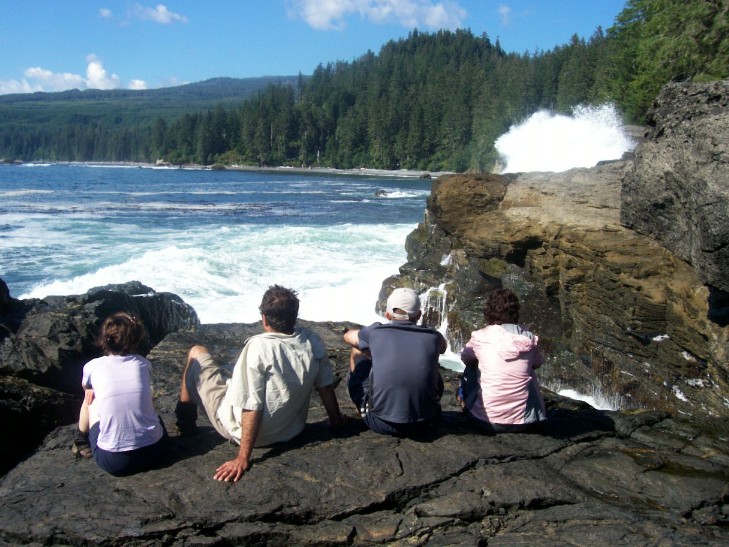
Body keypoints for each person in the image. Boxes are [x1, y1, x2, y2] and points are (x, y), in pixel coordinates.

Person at [175, 285, 346, 482]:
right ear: (295, 316)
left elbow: (251, 404)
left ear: (264, 319)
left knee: (196, 352)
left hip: (245, 433)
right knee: (230, 384)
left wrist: (242, 458)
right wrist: (336, 421)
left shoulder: (259, 347)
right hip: (289, 431)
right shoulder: (311, 340)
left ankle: (185, 426)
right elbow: (325, 386)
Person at [72, 312, 168, 476]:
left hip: (116, 462)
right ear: (136, 339)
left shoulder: (92, 366)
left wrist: (92, 389)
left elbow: (85, 387)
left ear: (105, 338)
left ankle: (80, 441)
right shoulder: (143, 364)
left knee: (90, 398)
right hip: (157, 452)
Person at [343, 287, 446, 437]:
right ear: (419, 315)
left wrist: (373, 352)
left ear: (387, 314)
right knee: (432, 365)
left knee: (356, 350)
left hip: (380, 422)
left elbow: (347, 337)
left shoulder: (375, 332)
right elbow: (442, 348)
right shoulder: (433, 336)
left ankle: (365, 407)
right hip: (427, 422)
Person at [457, 288, 547, 433]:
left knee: (472, 365)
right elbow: (538, 363)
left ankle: (466, 401)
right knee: (529, 370)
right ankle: (533, 412)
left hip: (483, 419)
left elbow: (465, 357)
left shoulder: (480, 337)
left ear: (489, 312)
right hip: (523, 423)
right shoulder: (529, 339)